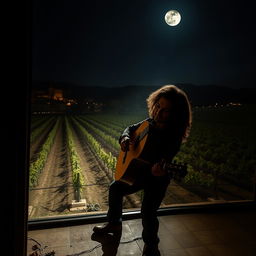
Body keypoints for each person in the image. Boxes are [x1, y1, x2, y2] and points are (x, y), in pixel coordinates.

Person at [93, 85, 192, 256]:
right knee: (115, 188)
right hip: (138, 172)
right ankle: (114, 223)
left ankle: (151, 245)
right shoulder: (149, 123)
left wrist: (160, 171)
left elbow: (164, 161)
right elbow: (130, 129)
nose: (159, 112)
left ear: (176, 114)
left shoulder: (173, 136)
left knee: (148, 211)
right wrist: (124, 138)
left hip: (157, 178)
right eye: (158, 106)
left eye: (166, 110)